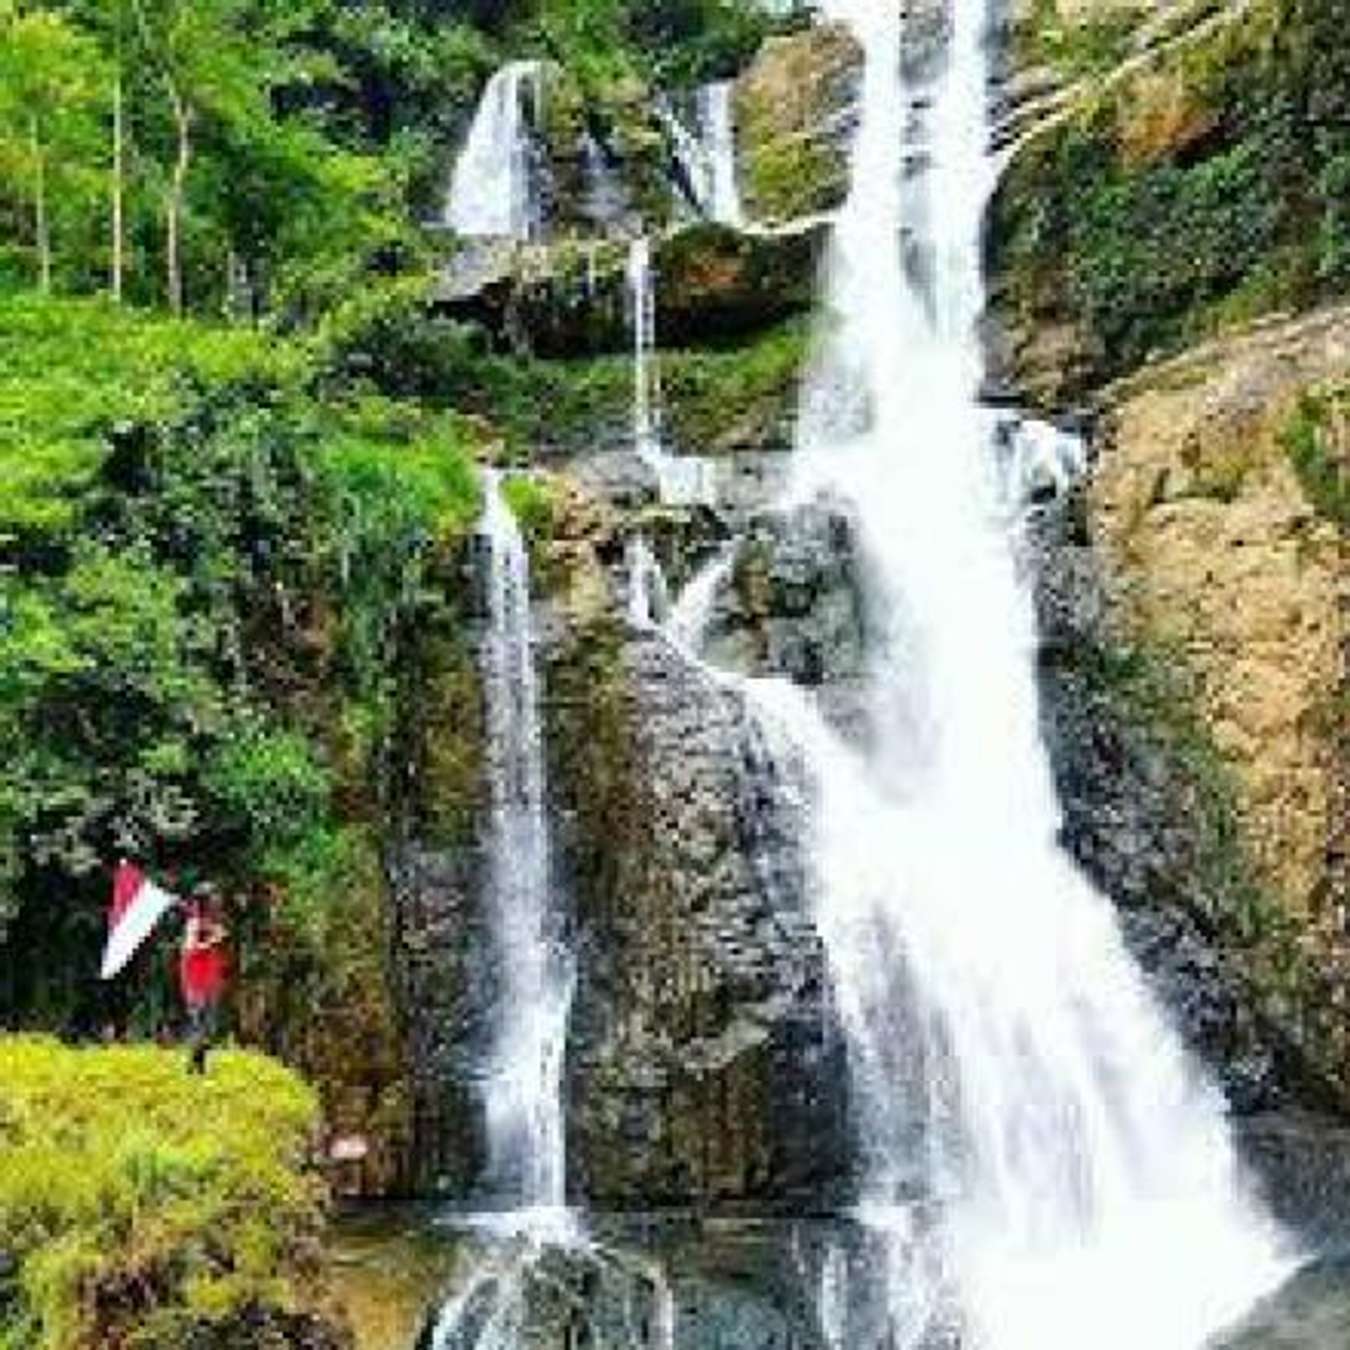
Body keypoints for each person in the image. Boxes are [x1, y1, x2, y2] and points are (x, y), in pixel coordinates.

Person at [180, 890, 228, 1074]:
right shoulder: (193, 924)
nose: (218, 901)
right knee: (198, 1021)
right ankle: (195, 1066)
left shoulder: (212, 923)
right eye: (214, 899)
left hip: (211, 977)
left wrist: (216, 934)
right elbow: (190, 948)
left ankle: (198, 1062)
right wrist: (213, 940)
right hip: (195, 978)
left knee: (210, 1025)